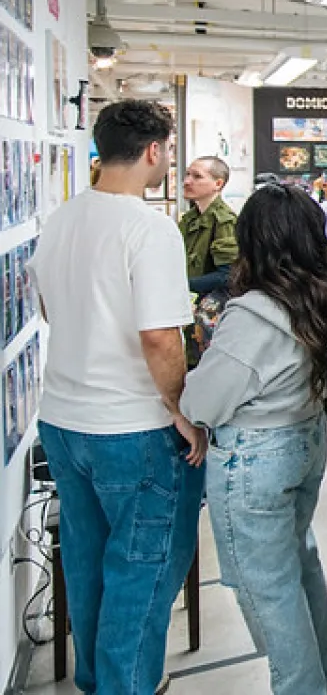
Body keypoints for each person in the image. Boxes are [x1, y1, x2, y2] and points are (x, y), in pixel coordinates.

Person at [30, 100, 207, 694]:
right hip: (131, 428)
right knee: (144, 566)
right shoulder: (149, 227)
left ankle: (95, 678)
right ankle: (126, 686)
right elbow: (160, 336)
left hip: (62, 421)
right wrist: (182, 411)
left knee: (87, 559)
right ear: (155, 150)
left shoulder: (61, 218)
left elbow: (50, 308)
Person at [179, 183, 327, 695]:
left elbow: (202, 403)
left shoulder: (252, 315)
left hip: (255, 458)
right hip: (305, 440)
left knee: (268, 589)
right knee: (300, 564)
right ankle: (326, 677)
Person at [180, 156, 239, 297]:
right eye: (187, 174)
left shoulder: (224, 221)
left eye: (197, 177)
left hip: (210, 307)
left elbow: (228, 274)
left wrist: (182, 285)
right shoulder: (190, 219)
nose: (187, 182)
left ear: (218, 184)